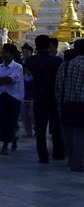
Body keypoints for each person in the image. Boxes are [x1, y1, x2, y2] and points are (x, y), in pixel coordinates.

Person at [27, 34, 66, 163]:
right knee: (55, 128)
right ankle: (57, 153)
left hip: (38, 97)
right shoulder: (57, 61)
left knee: (40, 129)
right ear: (49, 45)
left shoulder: (30, 61)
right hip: (53, 97)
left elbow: (28, 77)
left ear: (36, 45)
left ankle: (43, 155)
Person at [56, 39, 84, 171]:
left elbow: (58, 85)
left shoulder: (64, 65)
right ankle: (77, 163)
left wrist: (59, 103)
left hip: (66, 102)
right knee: (80, 133)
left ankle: (71, 159)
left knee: (68, 132)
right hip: (81, 103)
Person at [0, 43, 23, 155]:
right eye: (1, 52)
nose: (2, 55)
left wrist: (0, 80)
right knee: (1, 120)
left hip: (13, 98)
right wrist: (1, 80)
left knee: (10, 121)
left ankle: (5, 145)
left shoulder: (18, 67)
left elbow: (10, 80)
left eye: (4, 52)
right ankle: (12, 138)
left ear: (11, 54)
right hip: (0, 97)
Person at [20, 43, 35, 138]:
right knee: (25, 116)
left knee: (33, 115)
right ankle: (28, 132)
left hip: (33, 96)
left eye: (26, 52)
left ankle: (37, 130)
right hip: (23, 96)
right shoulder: (20, 66)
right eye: (23, 52)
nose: (24, 54)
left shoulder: (35, 63)